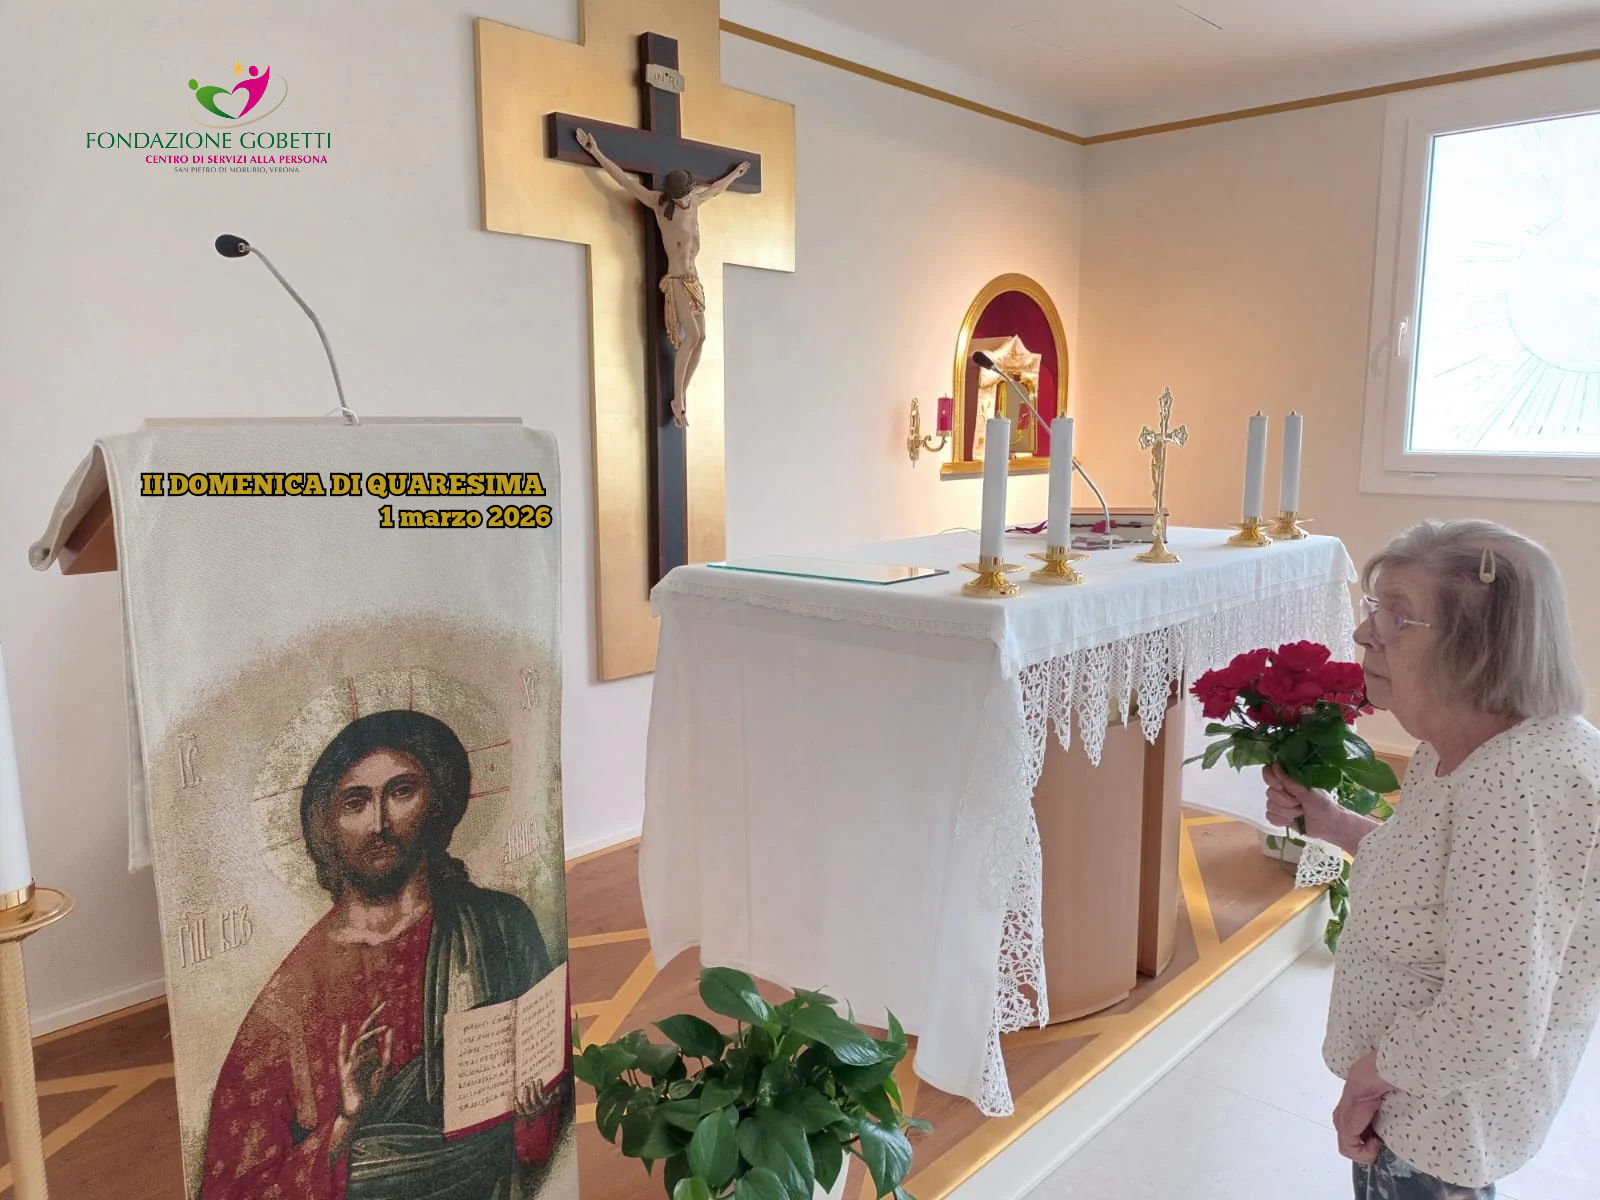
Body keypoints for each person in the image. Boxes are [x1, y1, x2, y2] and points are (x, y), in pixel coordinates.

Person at [1264, 520, 1600, 1199]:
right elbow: (1433, 880)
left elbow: (1492, 1022)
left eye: (1396, 617)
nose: (1364, 634)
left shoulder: (1516, 786)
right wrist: (1332, 823)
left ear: (1479, 647)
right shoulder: (1461, 745)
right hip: (1413, 1093)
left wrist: (1368, 1080)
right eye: (1373, 608)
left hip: (1438, 1116)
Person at [201, 710, 569, 1199]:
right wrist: (346, 1121)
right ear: (327, 825)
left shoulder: (499, 925)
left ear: (436, 802)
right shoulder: (292, 997)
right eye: (355, 802)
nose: (379, 823)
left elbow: (549, 1088)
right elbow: (235, 1186)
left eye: (401, 792)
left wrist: (534, 1116)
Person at [574, 127, 750, 428]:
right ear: (673, 196)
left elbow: (715, 189)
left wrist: (735, 174)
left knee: (702, 338)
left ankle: (682, 395)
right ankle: (677, 398)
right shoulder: (660, 205)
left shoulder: (694, 201)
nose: (686, 200)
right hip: (677, 279)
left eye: (688, 194)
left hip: (694, 279)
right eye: (682, 197)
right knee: (690, 336)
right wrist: (595, 151)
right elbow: (624, 181)